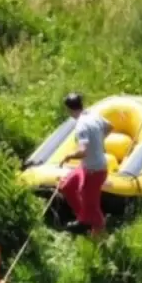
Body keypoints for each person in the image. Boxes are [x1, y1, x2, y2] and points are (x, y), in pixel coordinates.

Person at [58, 92, 112, 238]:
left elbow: (82, 151)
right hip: (86, 166)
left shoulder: (81, 126)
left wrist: (68, 156)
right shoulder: (93, 115)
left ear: (68, 110)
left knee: (93, 206)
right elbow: (109, 127)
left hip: (95, 171)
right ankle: (83, 218)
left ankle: (100, 235)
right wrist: (99, 142)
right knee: (67, 186)